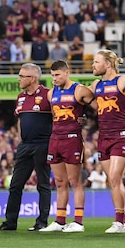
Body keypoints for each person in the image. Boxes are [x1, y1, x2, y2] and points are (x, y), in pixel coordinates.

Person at [0, 64, 52, 232]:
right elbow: (20, 119)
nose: (18, 78)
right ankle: (10, 222)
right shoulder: (20, 97)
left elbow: (58, 116)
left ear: (33, 78)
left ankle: (41, 222)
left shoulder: (48, 95)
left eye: (22, 76)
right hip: (25, 146)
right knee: (15, 185)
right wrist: (20, 139)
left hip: (43, 144)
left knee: (43, 184)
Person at [41, 61, 94, 232]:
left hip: (72, 139)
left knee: (75, 181)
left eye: (57, 75)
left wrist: (85, 119)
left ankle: (78, 222)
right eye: (52, 75)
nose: (54, 78)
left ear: (67, 73)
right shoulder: (51, 94)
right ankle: (59, 220)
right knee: (60, 182)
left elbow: (101, 108)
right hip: (55, 139)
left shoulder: (79, 90)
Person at [91, 49, 125, 233]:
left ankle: (119, 221)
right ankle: (123, 220)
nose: (93, 65)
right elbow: (81, 101)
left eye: (96, 62)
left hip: (121, 136)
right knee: (112, 180)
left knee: (116, 178)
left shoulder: (123, 80)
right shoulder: (95, 85)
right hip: (103, 137)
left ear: (107, 64)